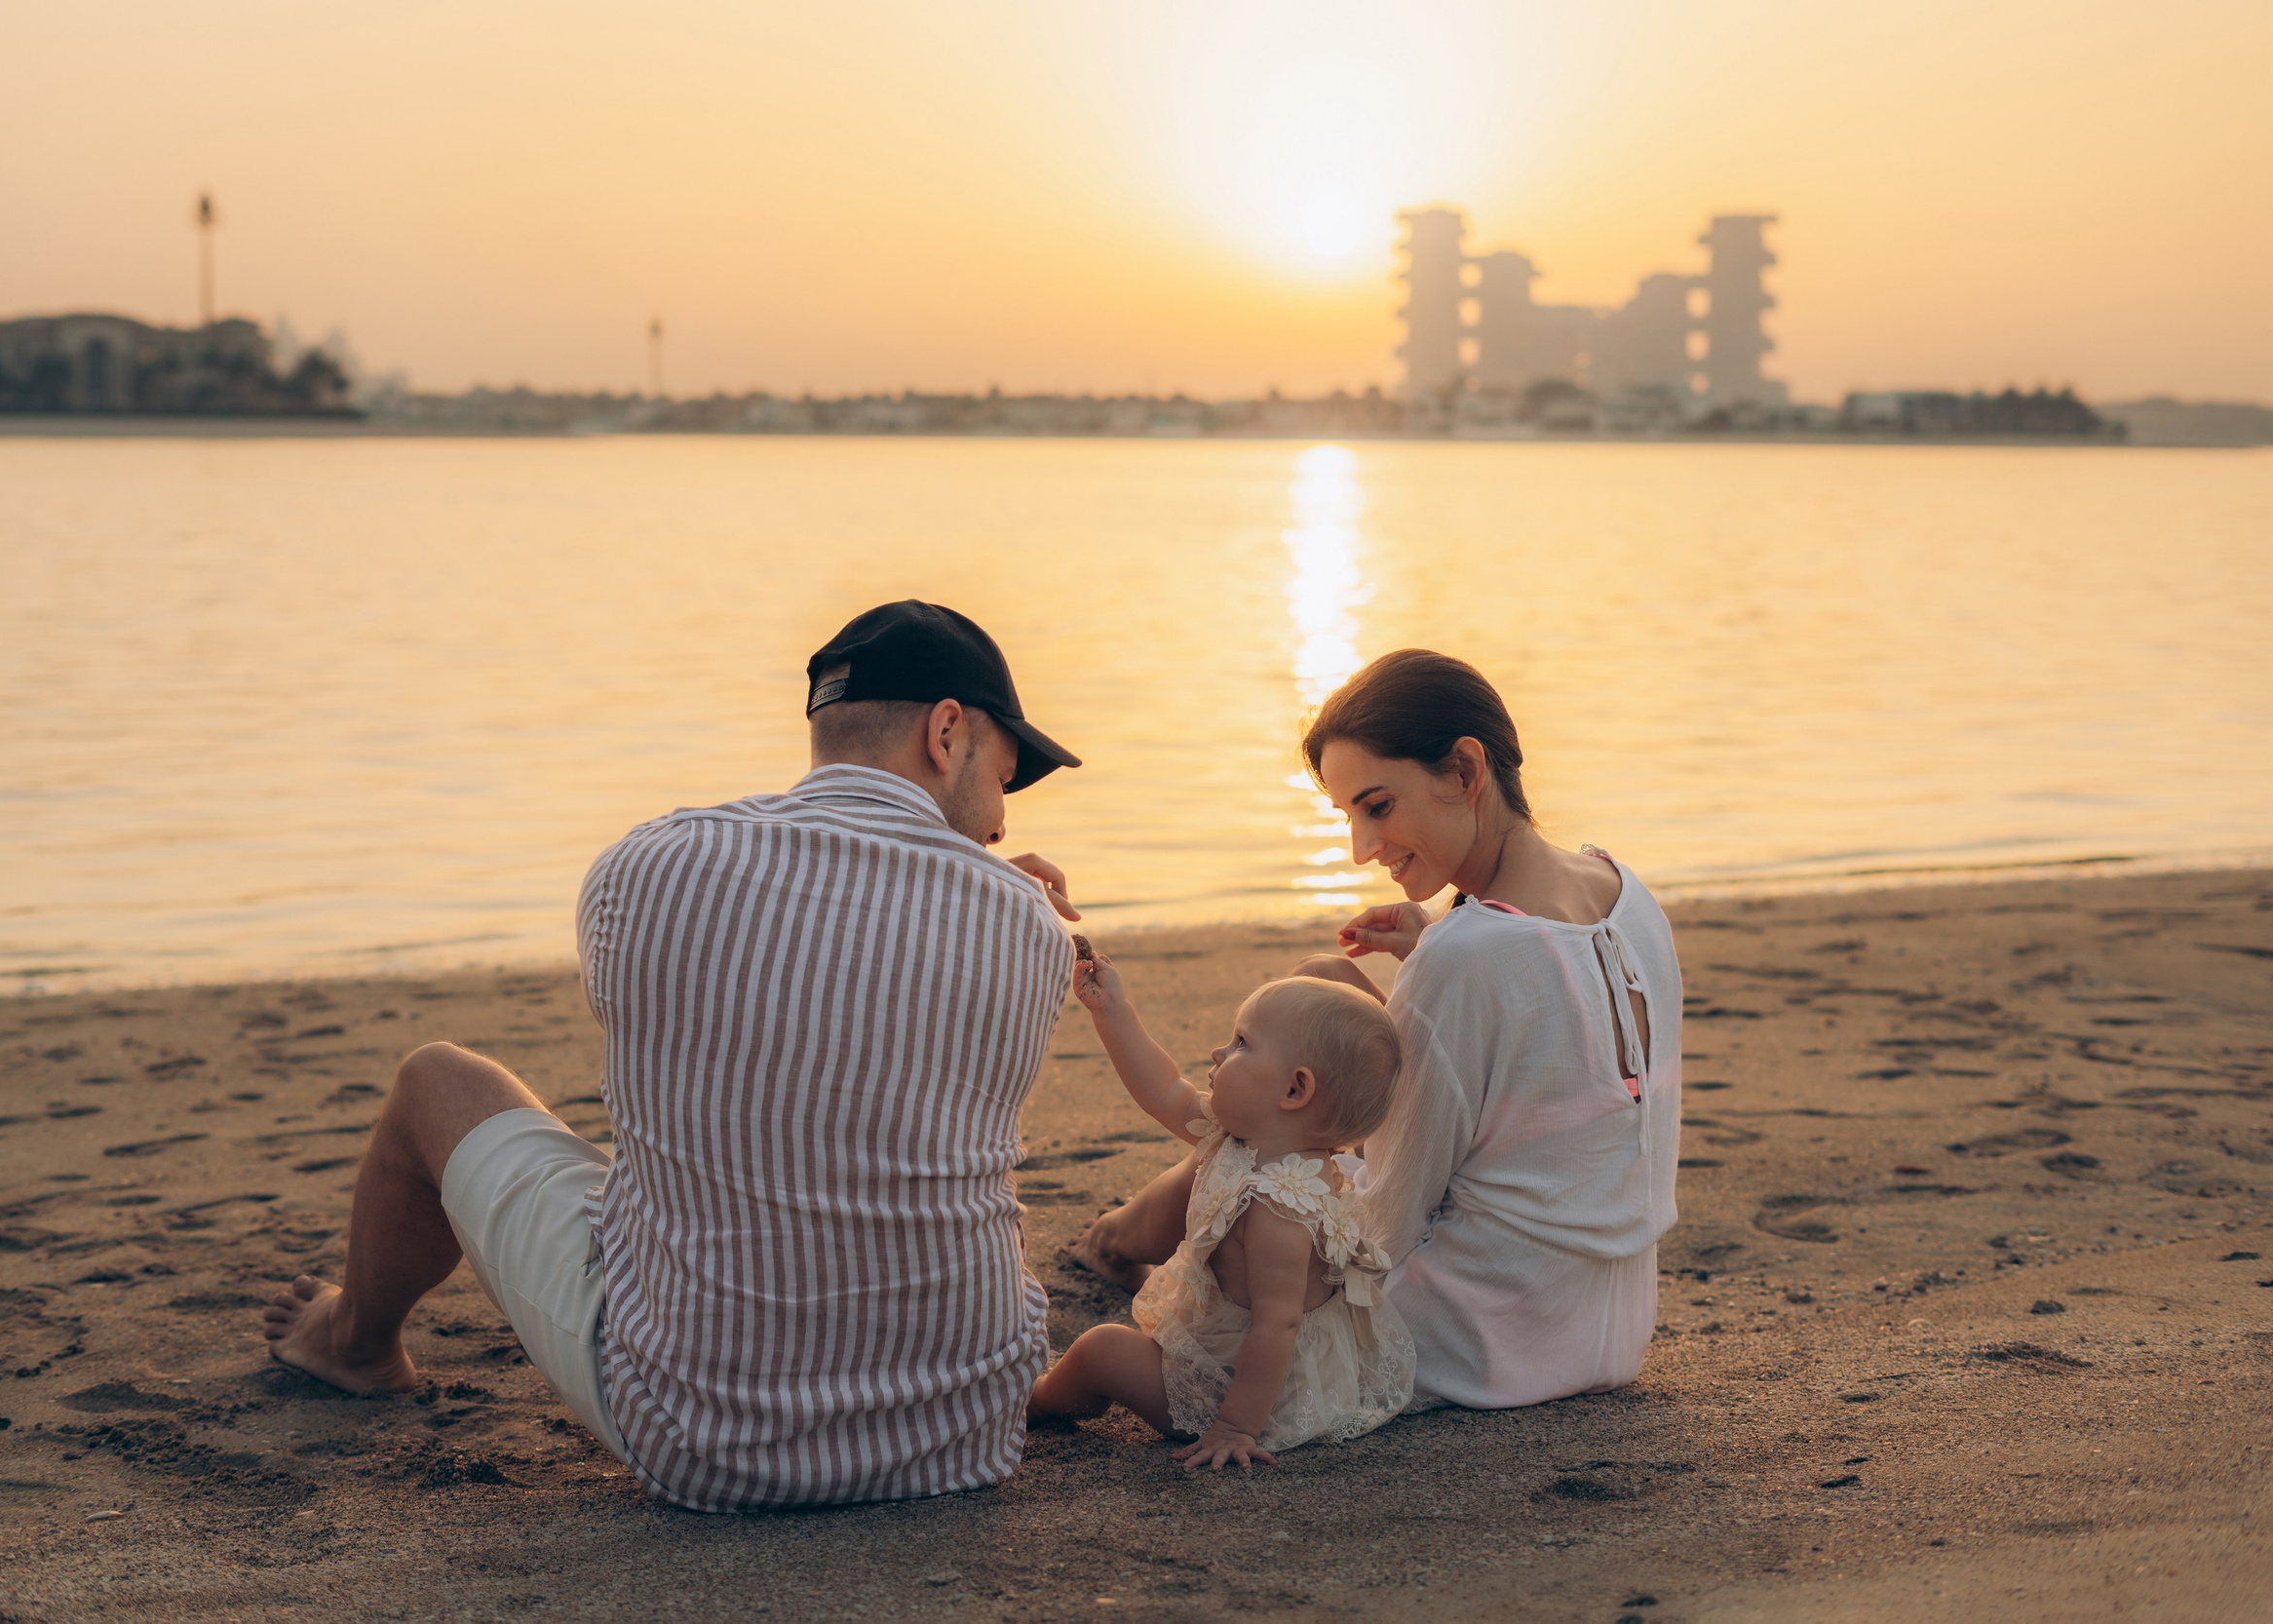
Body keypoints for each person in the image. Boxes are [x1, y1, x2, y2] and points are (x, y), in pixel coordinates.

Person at [264, 600, 1085, 1511]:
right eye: (1004, 782)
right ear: (944, 732)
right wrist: (985, 893)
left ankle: (356, 1344)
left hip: (709, 1442)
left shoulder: (645, 867)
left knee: (438, 1081)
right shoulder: (1027, 928)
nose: (1000, 825)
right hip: (963, 1430)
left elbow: (758, 1007)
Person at [1076, 648, 1682, 1410]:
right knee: (1320, 987)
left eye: (1378, 806)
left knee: (1271, 1145)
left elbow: (1392, 1211)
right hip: (1611, 1321)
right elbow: (1558, 1039)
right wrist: (1432, 938)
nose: (1363, 848)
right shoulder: (1623, 891)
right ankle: (1126, 1235)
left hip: (1487, 1337)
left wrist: (1266, 1200)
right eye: (1350, 817)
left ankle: (1124, 1242)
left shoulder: (1467, 956)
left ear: (1465, 770)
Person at [1028, 959, 1413, 1469]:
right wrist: (1111, 1011)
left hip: (1245, 1391)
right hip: (1234, 1352)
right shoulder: (1256, 1137)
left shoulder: (1279, 1207)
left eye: (1241, 1044)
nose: (1219, 1051)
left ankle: (1041, 1400)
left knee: (1101, 1349)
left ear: (1294, 1090)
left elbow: (1278, 1325)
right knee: (1125, 1345)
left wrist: (1234, 1427)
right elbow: (1165, 1090)